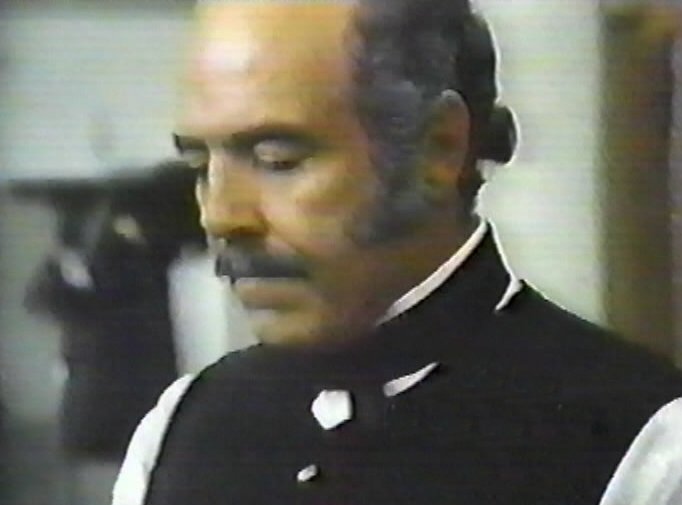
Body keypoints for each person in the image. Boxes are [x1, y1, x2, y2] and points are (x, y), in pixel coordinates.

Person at [113, 1, 682, 504]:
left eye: (277, 159)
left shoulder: (642, 442)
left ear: (439, 147)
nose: (220, 216)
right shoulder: (180, 427)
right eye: (200, 167)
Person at [16, 160, 203, 505]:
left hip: (127, 394)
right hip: (117, 395)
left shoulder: (137, 258)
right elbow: (48, 297)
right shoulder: (113, 257)